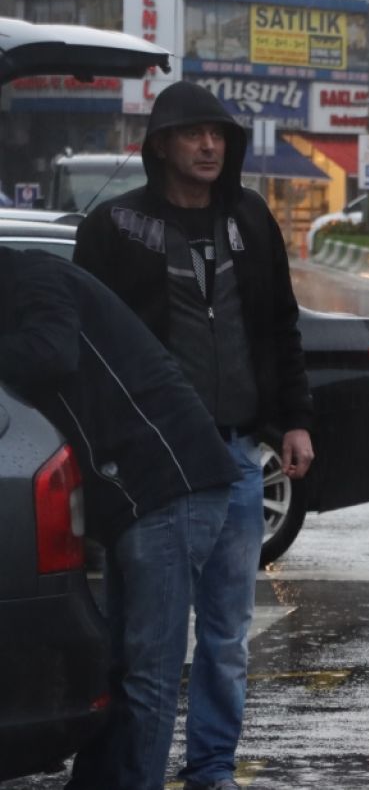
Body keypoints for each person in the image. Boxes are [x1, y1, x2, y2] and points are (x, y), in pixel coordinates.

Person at [74, 80, 315, 790]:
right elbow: (86, 352)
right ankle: (127, 774)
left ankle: (212, 767)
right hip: (153, 470)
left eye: (219, 134)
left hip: (239, 457)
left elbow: (280, 325)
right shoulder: (113, 229)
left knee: (226, 637)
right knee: (144, 648)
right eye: (192, 133)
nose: (209, 145)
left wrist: (294, 419)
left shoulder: (249, 219)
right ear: (160, 146)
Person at [0, 246, 241, 790]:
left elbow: (50, 351)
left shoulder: (35, 277)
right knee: (120, 665)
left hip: (169, 482)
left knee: (147, 671)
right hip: (136, 495)